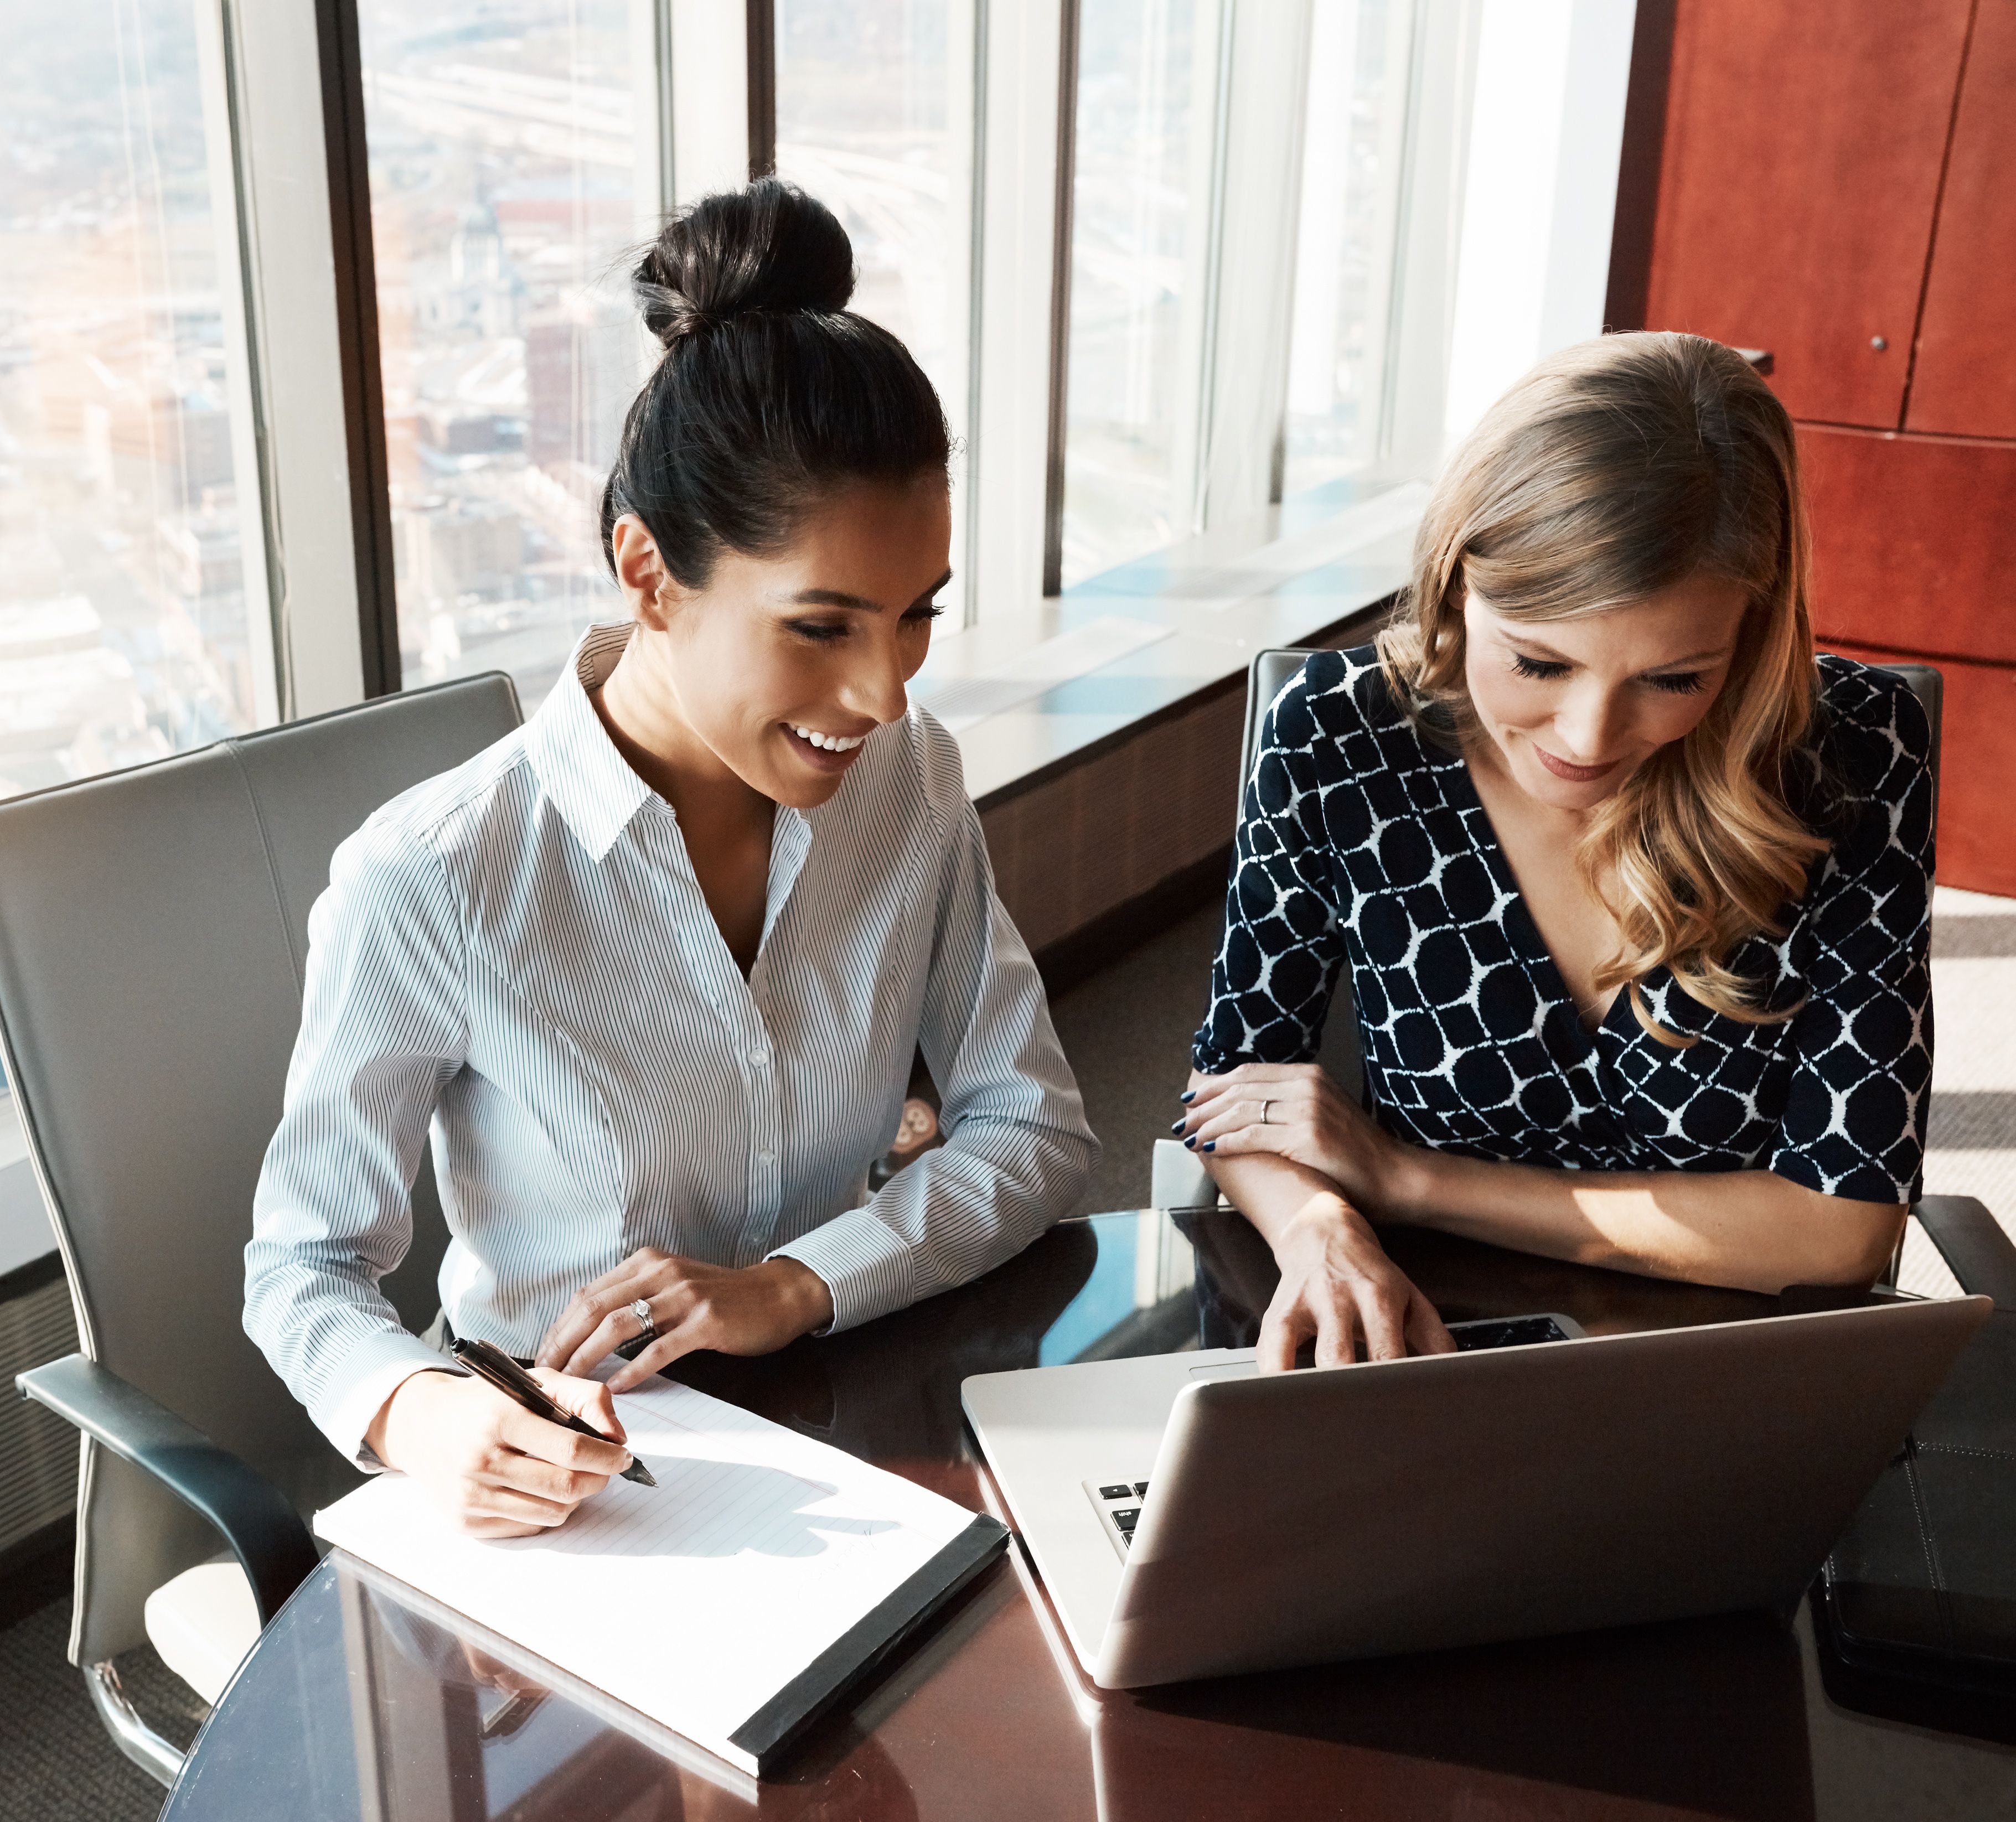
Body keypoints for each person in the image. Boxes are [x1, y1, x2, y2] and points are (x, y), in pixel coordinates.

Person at [243, 179, 1099, 1534]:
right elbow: (306, 1265)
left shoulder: (911, 777)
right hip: (589, 1489)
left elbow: (1033, 1123)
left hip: (863, 1415)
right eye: (822, 626)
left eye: (915, 616)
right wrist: (426, 1411)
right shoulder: (436, 880)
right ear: (648, 573)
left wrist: (799, 1283)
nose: (883, 692)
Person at [1177, 332, 1932, 1370]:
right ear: (1455, 587)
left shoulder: (1851, 751)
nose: (1586, 738)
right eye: (1538, 661)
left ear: (1749, 640)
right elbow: (1239, 1084)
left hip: (1731, 1365)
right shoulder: (1339, 735)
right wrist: (1319, 1224)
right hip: (1417, 1341)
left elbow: (1842, 1231)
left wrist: (1407, 1182)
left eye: (1674, 679)